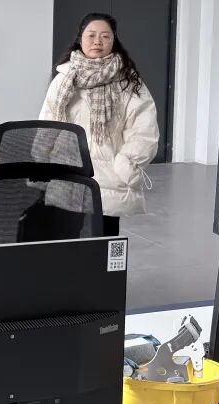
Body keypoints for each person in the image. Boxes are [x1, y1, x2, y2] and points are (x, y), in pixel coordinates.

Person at [37, 12, 159, 236]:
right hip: (68, 173)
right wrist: (43, 163)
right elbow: (48, 124)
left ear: (113, 41)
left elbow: (144, 131)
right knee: (67, 241)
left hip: (109, 178)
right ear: (80, 39)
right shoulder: (64, 80)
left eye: (105, 36)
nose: (97, 41)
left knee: (105, 244)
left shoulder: (129, 82)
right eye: (91, 35)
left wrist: (125, 165)